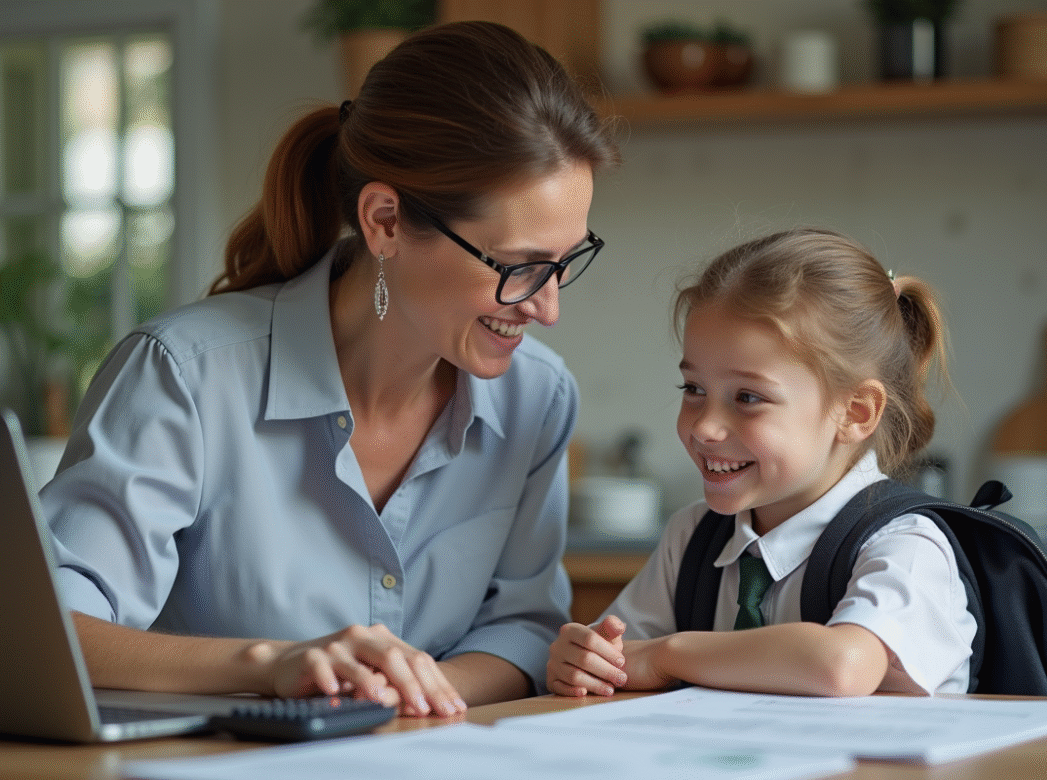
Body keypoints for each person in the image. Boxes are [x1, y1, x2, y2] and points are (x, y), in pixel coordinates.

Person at [40, 20, 620, 717]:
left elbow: (525, 626)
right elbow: (50, 633)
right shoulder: (185, 377)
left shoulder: (539, 397)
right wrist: (272, 663)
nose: (547, 308)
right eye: (521, 268)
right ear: (384, 222)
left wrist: (398, 695)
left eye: (563, 265)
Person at [547, 227, 977, 699]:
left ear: (855, 412)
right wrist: (585, 660)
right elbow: (620, 657)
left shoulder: (906, 546)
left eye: (748, 397)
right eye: (694, 389)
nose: (705, 427)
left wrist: (666, 655)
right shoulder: (692, 537)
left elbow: (841, 666)